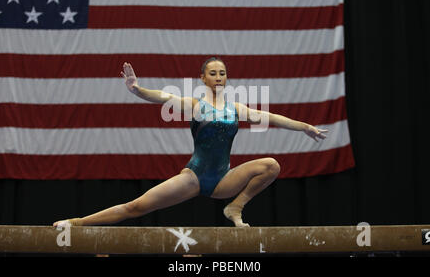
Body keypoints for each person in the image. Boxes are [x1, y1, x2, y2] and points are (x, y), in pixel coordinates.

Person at [53, 58, 327, 228]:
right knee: (135, 208)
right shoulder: (196, 105)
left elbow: (271, 117)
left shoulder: (236, 109)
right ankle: (75, 223)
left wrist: (305, 128)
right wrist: (137, 89)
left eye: (222, 73)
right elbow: (161, 97)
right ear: (203, 78)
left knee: (271, 166)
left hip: (223, 180)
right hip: (194, 177)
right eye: (213, 73)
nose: (219, 77)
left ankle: (235, 207)